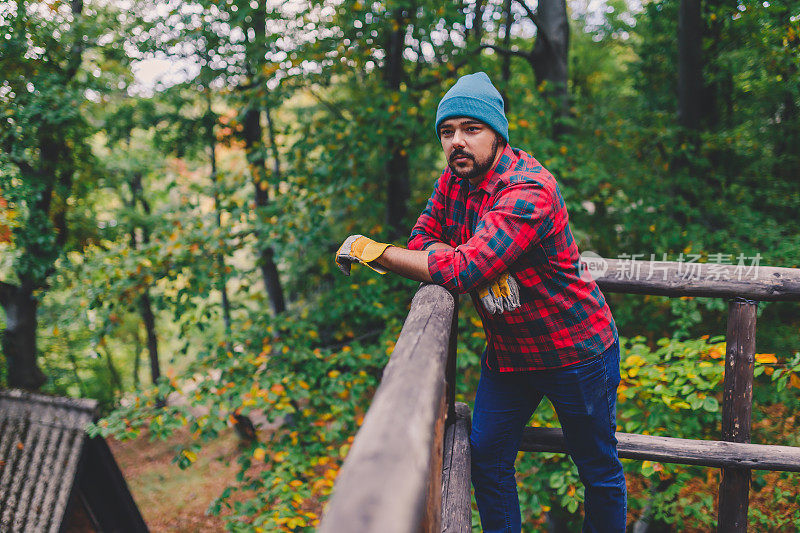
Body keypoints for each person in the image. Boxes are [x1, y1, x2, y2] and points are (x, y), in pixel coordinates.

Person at [335, 72, 626, 532]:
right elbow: (424, 236)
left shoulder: (529, 188)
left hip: (576, 351)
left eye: (471, 129)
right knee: (486, 458)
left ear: (497, 134)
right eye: (447, 132)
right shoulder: (454, 181)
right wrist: (468, 260)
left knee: (597, 470)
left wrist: (378, 253)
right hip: (511, 356)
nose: (457, 142)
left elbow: (461, 271)